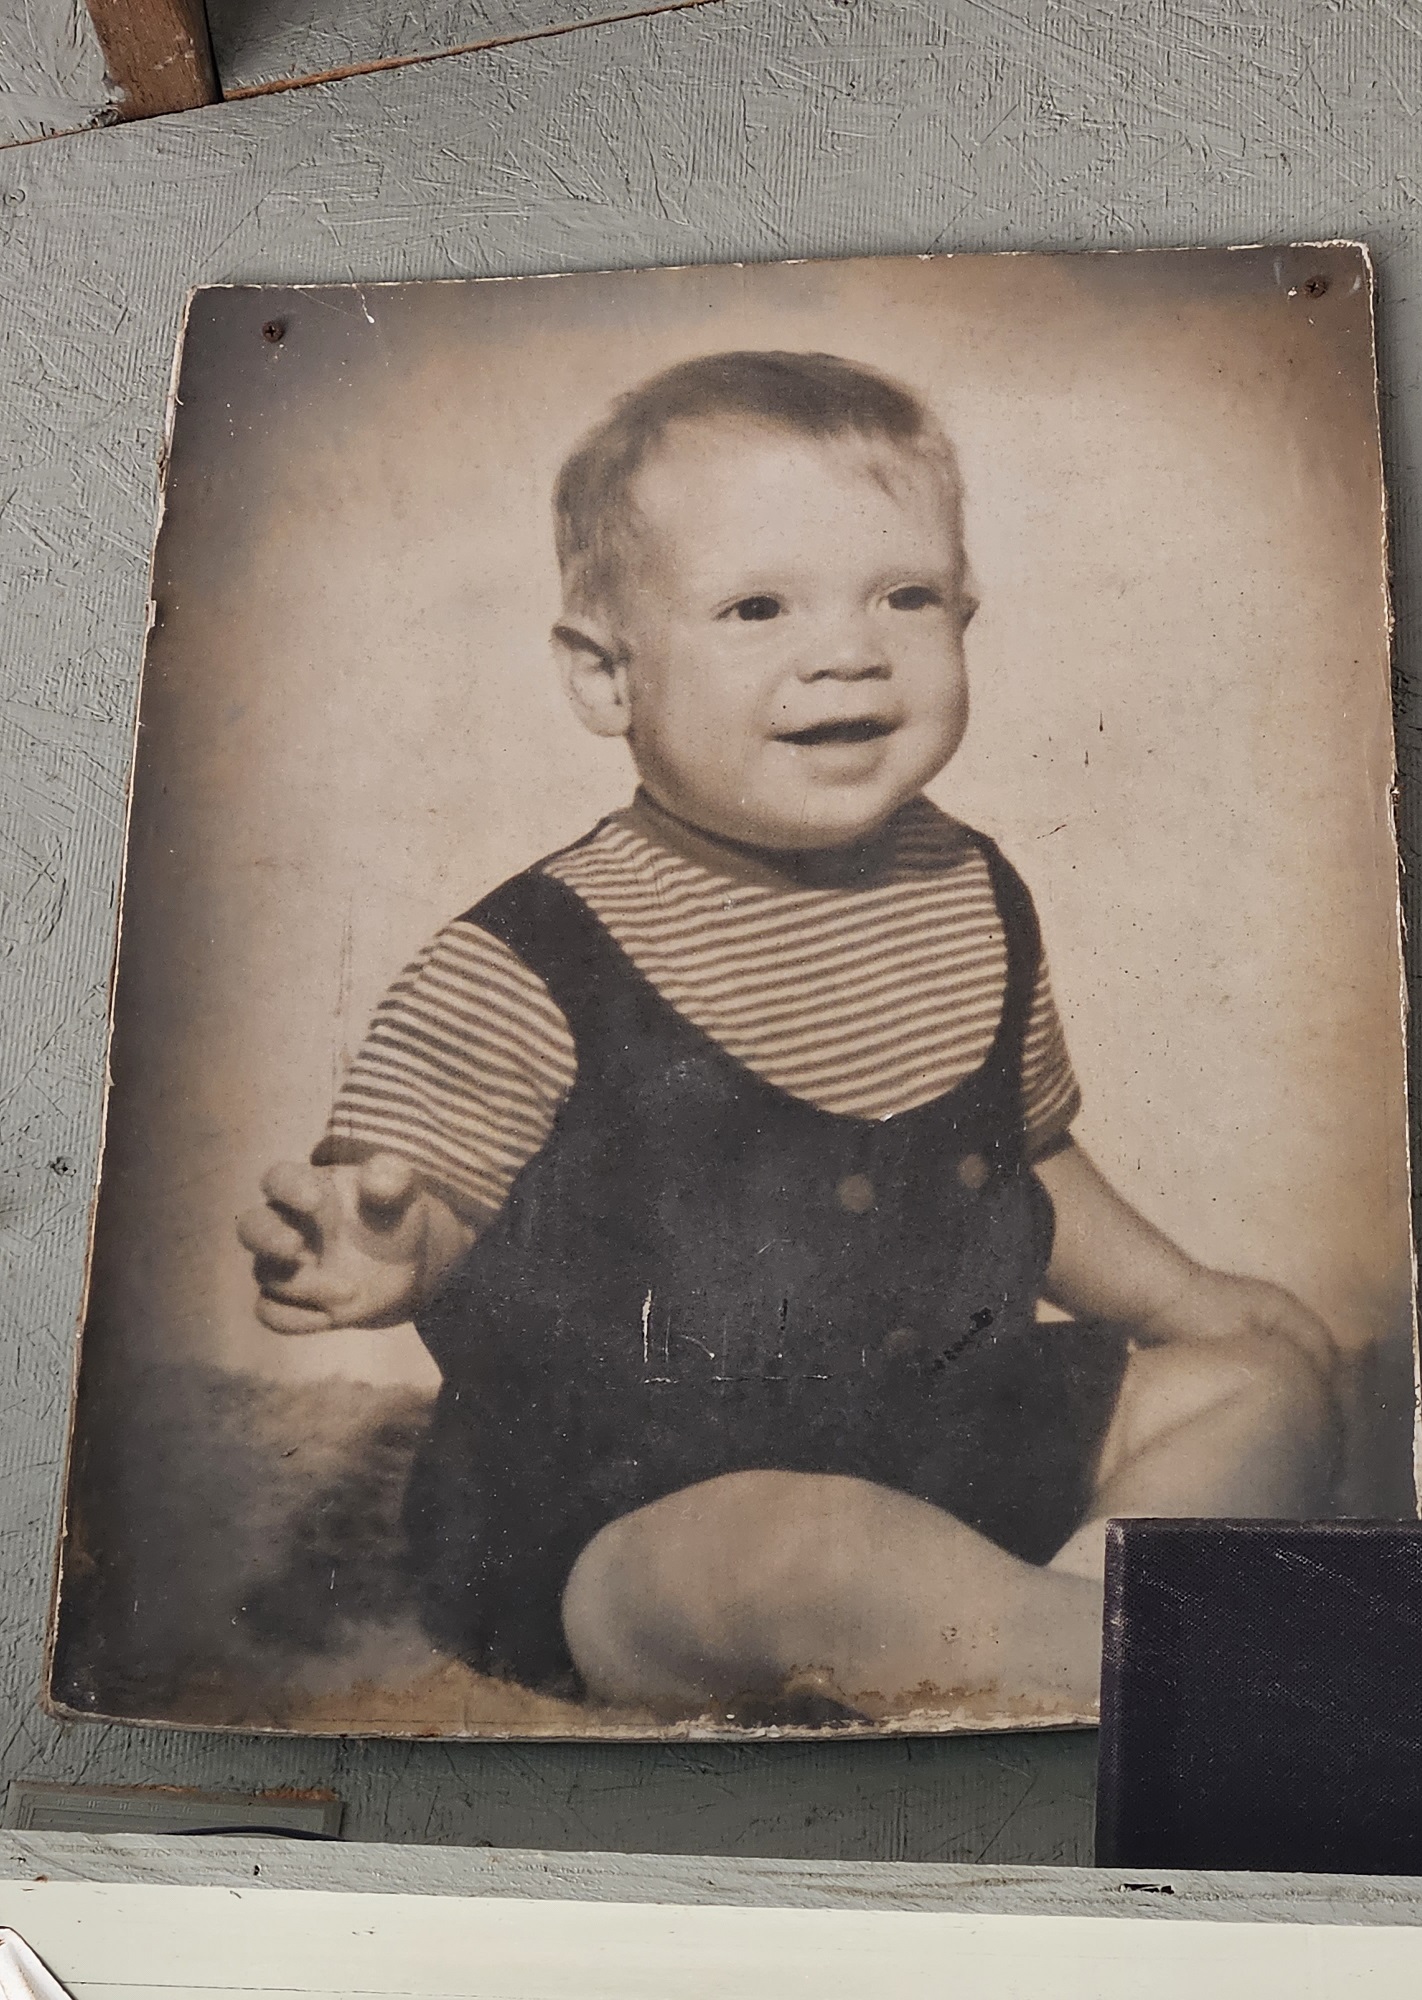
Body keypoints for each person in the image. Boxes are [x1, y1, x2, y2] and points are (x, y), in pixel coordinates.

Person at [238, 350, 1337, 1724]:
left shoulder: (973, 889)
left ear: (967, 613)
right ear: (605, 675)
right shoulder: (533, 955)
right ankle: (1138, 1670)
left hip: (954, 1432)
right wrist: (387, 1247)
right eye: (757, 607)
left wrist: (1184, 1299)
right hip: (640, 1514)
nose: (848, 650)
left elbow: (1025, 1160)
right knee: (804, 1556)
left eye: (905, 596)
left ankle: (1050, 1640)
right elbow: (428, 1186)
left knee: (1260, 1386)